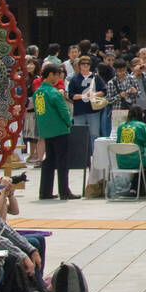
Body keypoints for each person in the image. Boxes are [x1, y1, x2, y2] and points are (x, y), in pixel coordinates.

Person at [33, 63, 77, 200]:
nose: (59, 78)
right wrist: (68, 124)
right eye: (57, 75)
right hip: (59, 130)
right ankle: (64, 191)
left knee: (49, 160)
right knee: (62, 162)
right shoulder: (53, 92)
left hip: (46, 130)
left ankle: (45, 192)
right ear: (51, 75)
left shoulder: (37, 93)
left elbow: (39, 111)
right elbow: (64, 111)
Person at [113, 106, 146, 196]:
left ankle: (133, 189)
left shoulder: (121, 126)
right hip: (137, 160)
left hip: (121, 161)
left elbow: (119, 142)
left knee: (140, 162)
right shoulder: (142, 126)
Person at [66, 55, 106, 147]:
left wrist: (94, 94)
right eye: (83, 64)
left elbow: (104, 91)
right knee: (79, 135)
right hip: (79, 111)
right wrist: (83, 96)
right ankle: (80, 157)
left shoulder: (96, 77)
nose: (85, 66)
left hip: (93, 110)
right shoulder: (74, 79)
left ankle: (95, 155)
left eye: (87, 64)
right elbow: (71, 95)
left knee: (94, 134)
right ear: (79, 65)